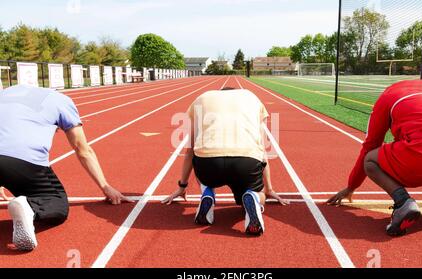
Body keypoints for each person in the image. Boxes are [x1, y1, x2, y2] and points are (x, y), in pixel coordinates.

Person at [0, 85, 133, 251]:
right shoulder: (61, 100)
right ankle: (29, 207)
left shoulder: (5, 94)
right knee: (57, 205)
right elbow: (82, 149)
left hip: (11, 161)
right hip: (24, 161)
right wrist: (105, 187)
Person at [327, 80, 422, 236]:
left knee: (370, 160)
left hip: (421, 152)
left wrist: (352, 186)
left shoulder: (389, 96)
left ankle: (403, 202)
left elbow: (371, 145)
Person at [162, 87, 289, 236]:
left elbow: (190, 150)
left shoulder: (202, 98)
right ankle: (254, 197)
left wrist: (182, 186)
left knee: (199, 154)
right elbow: (262, 150)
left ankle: (207, 192)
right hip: (246, 163)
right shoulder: (252, 98)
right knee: (257, 193)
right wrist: (268, 190)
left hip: (208, 165)